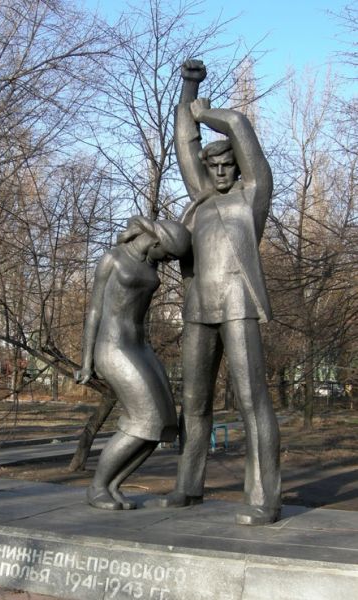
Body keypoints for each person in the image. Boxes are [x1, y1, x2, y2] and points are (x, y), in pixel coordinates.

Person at [160, 59, 281, 525]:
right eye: (216, 166)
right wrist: (189, 86)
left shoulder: (253, 196)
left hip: (238, 305)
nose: (224, 171)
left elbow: (239, 125)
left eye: (230, 163)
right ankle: (188, 487)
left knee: (252, 401)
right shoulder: (202, 199)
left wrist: (207, 110)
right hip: (198, 308)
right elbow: (183, 142)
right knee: (194, 403)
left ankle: (264, 498)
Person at [76, 216, 191, 510]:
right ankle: (97, 487)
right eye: (166, 255)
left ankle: (114, 484)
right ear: (155, 242)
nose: (166, 261)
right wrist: (86, 360)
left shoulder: (150, 265)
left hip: (140, 347)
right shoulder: (112, 259)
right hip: (113, 347)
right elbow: (94, 312)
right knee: (145, 420)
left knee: (165, 426)